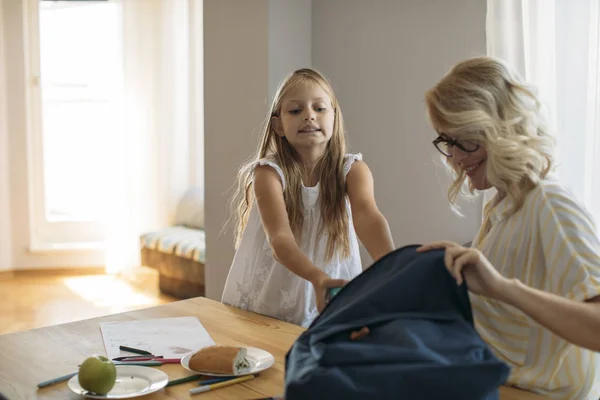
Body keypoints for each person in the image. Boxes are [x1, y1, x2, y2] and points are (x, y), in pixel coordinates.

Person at [417, 56, 600, 399]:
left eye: (466, 140)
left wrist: (502, 287)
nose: (455, 158)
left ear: (501, 126)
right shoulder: (502, 205)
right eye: (448, 141)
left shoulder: (550, 203)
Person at [221, 68, 395, 327]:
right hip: (273, 300)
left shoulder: (353, 171)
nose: (309, 116)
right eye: (295, 110)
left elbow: (368, 217)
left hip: (331, 290)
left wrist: (394, 267)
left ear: (334, 117)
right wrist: (317, 278)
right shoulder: (268, 175)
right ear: (278, 125)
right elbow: (279, 239)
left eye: (320, 108)